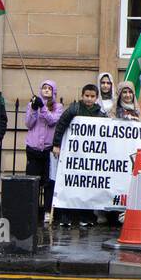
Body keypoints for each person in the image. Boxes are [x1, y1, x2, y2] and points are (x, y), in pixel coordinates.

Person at [51, 83, 106, 228]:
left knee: (86, 186)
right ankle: (65, 216)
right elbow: (61, 125)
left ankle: (86, 216)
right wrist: (56, 145)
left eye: (92, 96)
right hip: (72, 155)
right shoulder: (74, 109)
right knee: (68, 184)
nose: (89, 99)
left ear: (96, 98)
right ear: (82, 96)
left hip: (89, 157)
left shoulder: (100, 114)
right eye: (86, 96)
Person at [24, 79, 63, 220]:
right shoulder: (32, 105)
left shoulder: (58, 107)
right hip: (33, 149)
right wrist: (34, 109)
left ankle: (47, 211)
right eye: (44, 88)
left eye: (49, 88)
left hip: (48, 150)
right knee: (32, 181)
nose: (46, 90)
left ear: (53, 91)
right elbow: (29, 123)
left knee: (48, 181)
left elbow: (53, 120)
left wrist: (43, 108)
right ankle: (31, 209)